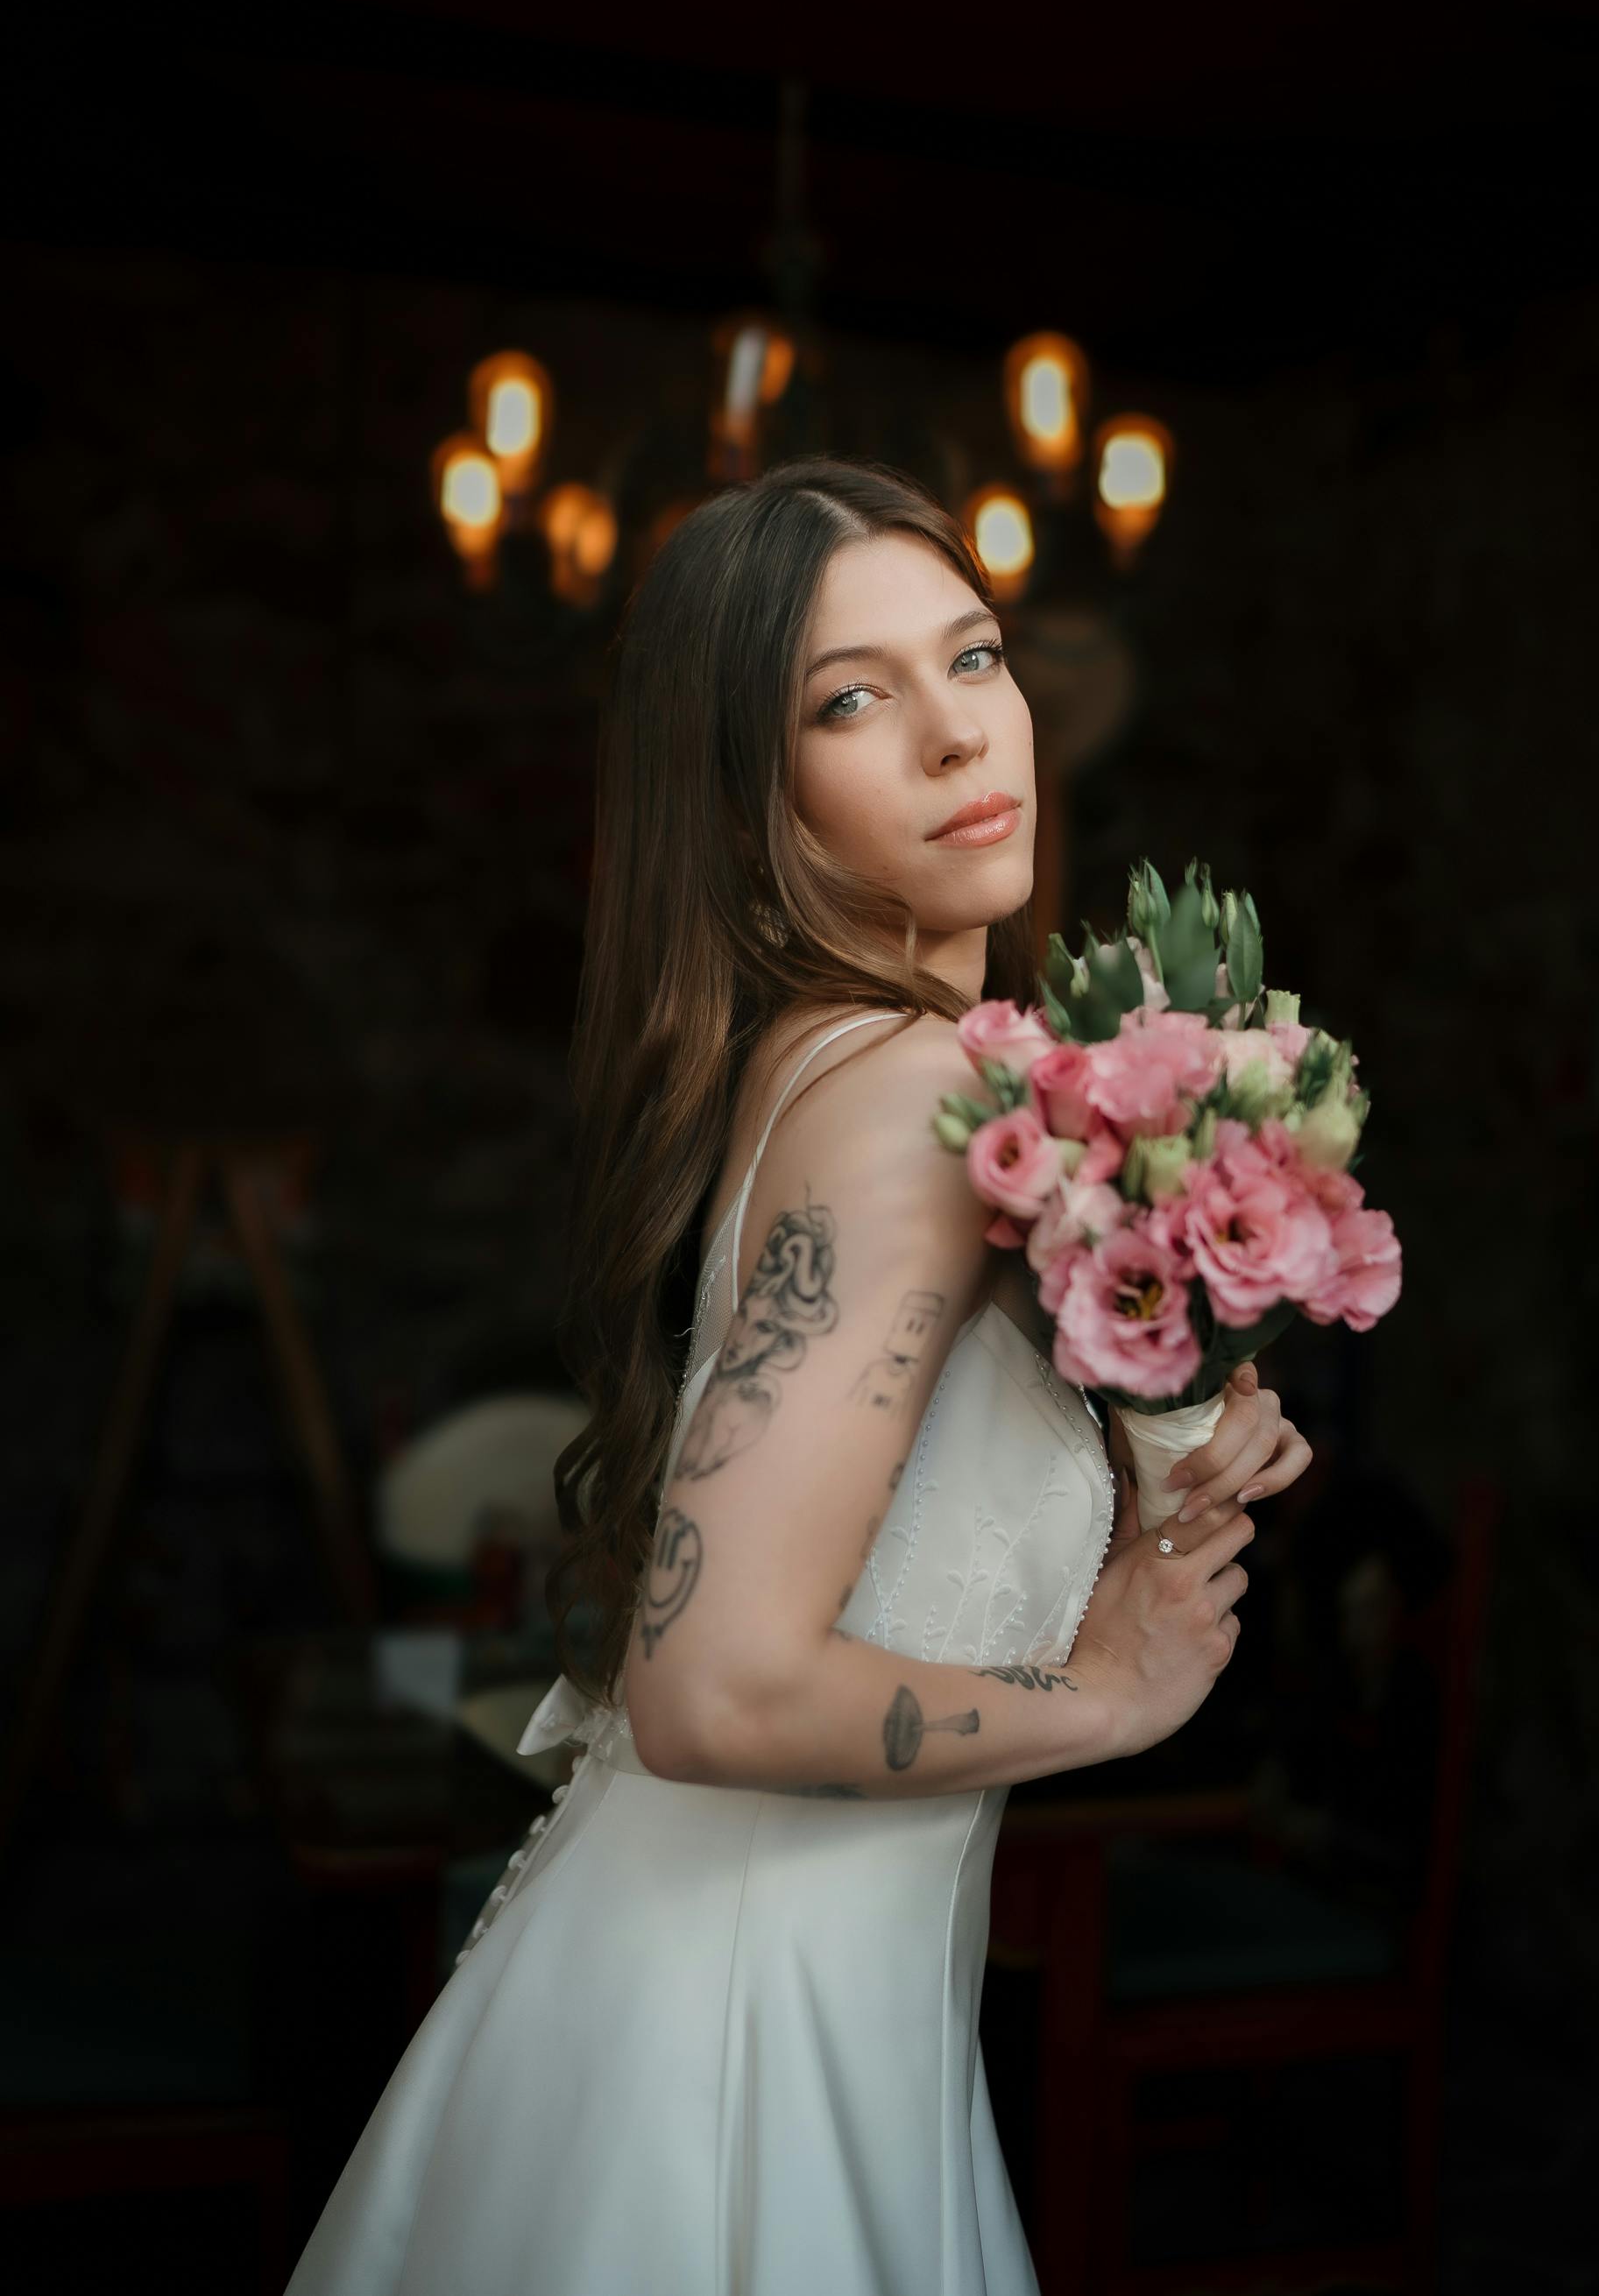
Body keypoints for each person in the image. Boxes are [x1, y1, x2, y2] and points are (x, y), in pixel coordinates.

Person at [286, 456, 1312, 2294]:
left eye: (972, 656)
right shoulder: (911, 1099)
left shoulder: (851, 1070)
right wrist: (1111, 1696)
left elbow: (885, 1538)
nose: (948, 733)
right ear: (750, 800)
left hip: (779, 1993)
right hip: (736, 2044)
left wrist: (1157, 1430)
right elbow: (717, 1692)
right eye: (850, 698)